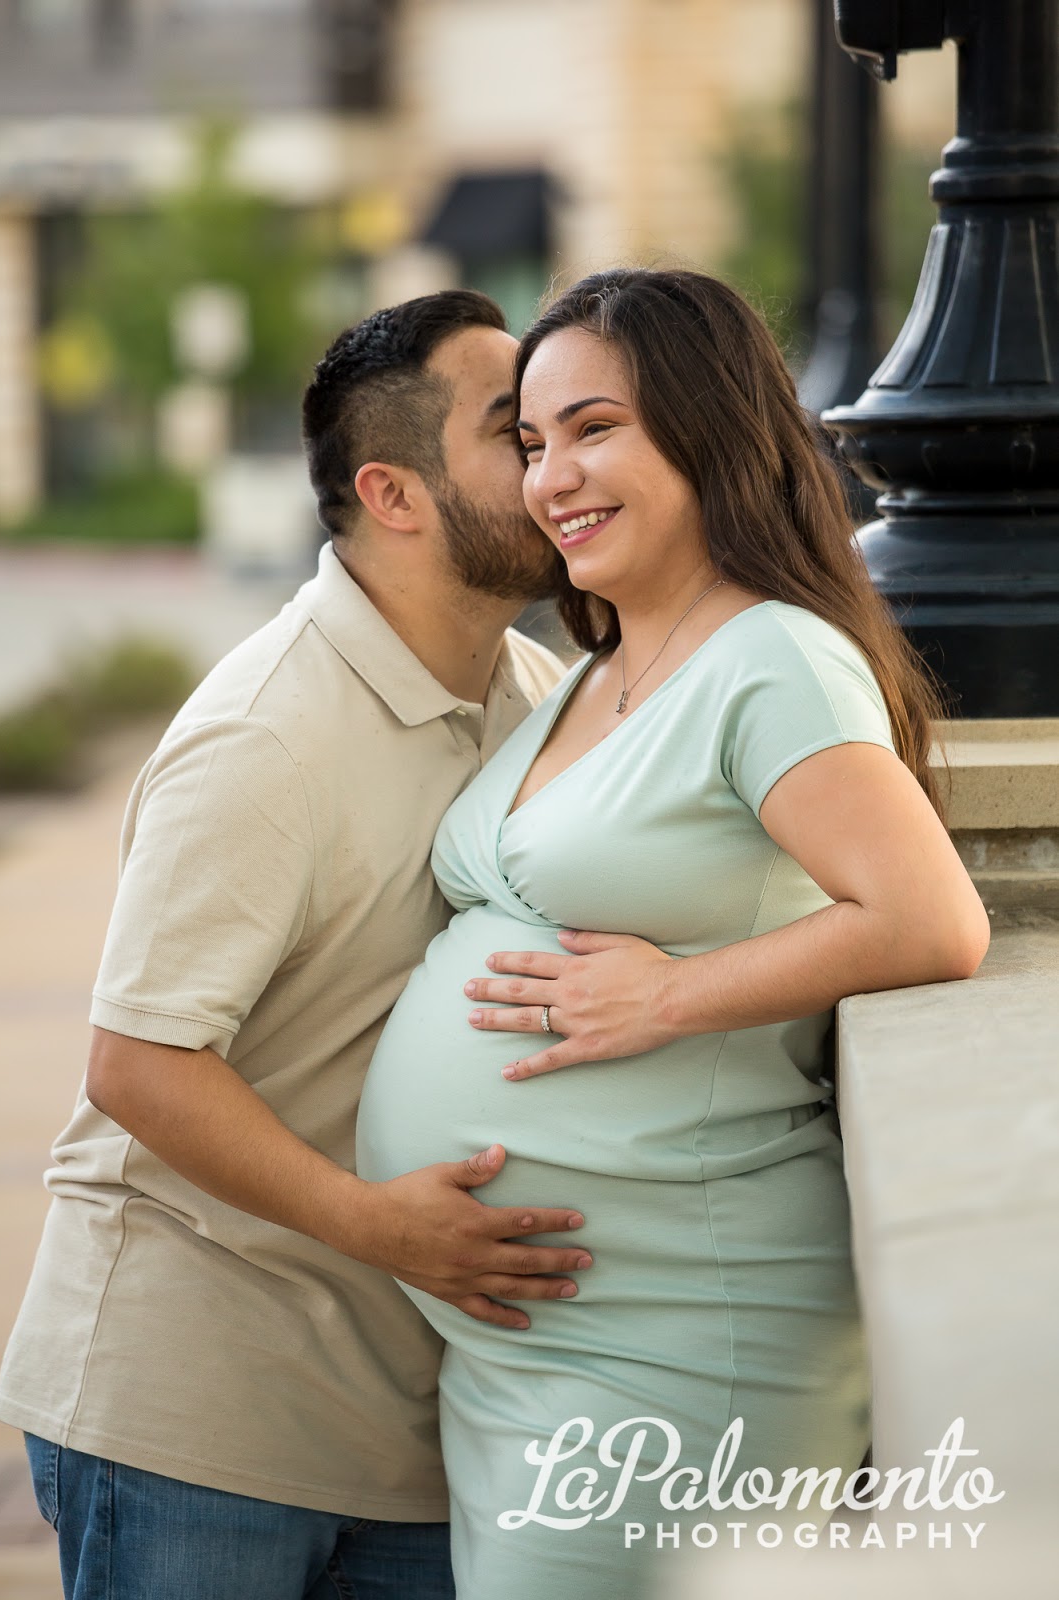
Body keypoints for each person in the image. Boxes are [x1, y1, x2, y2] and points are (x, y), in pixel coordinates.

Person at [355, 268, 992, 1597]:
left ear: (706, 431)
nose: (550, 477)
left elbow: (931, 920)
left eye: (595, 429)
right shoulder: (598, 664)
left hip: (677, 1341)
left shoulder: (772, 659)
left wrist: (663, 1001)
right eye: (531, 443)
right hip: (530, 1353)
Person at [0, 289, 597, 1600]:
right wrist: (385, 1228)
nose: (556, 467)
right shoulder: (266, 734)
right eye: (516, 435)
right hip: (193, 1424)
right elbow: (138, 1064)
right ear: (395, 494)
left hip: (416, 1426)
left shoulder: (538, 699)